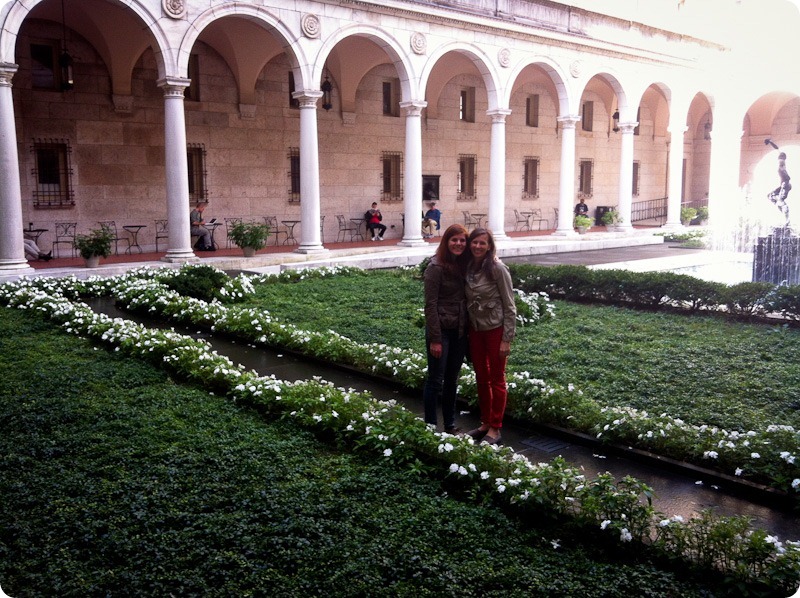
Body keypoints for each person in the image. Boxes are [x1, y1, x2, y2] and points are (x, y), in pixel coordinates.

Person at [464, 227, 516, 446]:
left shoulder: (497, 269)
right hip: (476, 329)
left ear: (489, 246)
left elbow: (510, 305)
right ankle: (485, 422)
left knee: (497, 378)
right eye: (474, 242)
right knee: (481, 377)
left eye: (482, 243)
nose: (477, 246)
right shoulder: (468, 267)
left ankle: (495, 427)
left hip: (495, 329)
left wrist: (506, 339)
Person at [423, 224, 469, 434]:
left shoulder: (464, 264)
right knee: (435, 380)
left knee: (452, 379)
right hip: (441, 330)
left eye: (462, 240)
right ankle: (430, 427)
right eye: (454, 240)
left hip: (459, 330)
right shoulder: (436, 267)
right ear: (446, 241)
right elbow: (430, 304)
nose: (458, 244)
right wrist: (435, 338)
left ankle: (450, 425)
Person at [768, 152, 792, 227]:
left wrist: (785, 178)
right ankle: (784, 214)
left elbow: (787, 177)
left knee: (780, 201)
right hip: (783, 185)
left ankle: (787, 220)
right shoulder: (781, 164)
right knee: (770, 196)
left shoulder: (781, 164)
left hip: (785, 185)